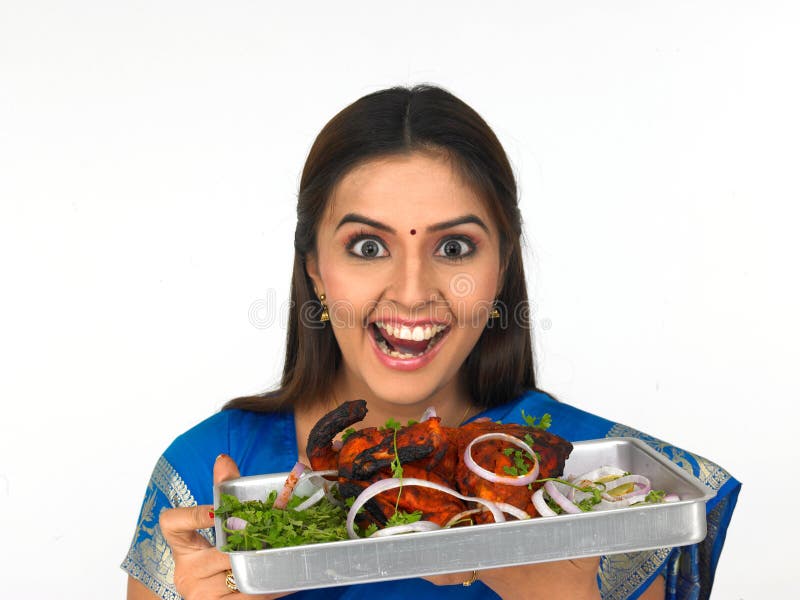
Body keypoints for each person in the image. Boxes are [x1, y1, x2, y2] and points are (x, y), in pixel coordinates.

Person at [122, 85, 740, 600]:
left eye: (453, 248)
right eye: (368, 247)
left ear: (502, 266)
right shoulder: (206, 476)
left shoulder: (603, 494)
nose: (413, 293)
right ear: (313, 267)